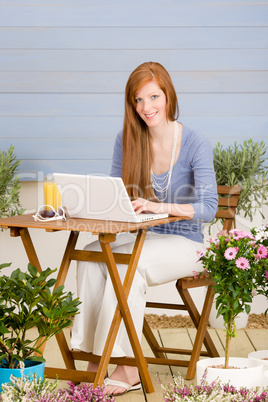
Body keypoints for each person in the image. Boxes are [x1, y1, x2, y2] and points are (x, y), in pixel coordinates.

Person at [70, 61, 218, 396]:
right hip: (144, 238)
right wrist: (84, 205)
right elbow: (114, 195)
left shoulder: (195, 142)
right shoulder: (127, 139)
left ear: (168, 96)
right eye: (138, 100)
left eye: (153, 97)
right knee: (93, 254)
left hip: (188, 243)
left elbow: (208, 209)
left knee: (130, 269)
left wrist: (158, 207)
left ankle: (127, 367)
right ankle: (95, 359)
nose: (146, 107)